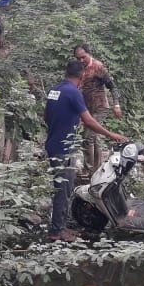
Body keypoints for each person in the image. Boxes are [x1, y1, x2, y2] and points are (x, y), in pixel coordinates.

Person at [44, 59, 127, 242]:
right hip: (64, 148)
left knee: (62, 188)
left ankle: (60, 226)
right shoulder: (74, 92)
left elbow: (47, 117)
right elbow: (88, 120)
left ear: (66, 73)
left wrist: (62, 125)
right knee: (63, 190)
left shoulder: (54, 90)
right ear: (81, 76)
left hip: (53, 144)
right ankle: (56, 231)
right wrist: (111, 134)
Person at [73, 43, 122, 173]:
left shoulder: (98, 67)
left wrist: (116, 104)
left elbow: (112, 86)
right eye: (78, 58)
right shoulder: (79, 68)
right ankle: (97, 168)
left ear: (89, 53)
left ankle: (88, 170)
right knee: (93, 137)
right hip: (86, 107)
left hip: (100, 106)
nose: (81, 60)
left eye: (83, 57)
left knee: (88, 136)